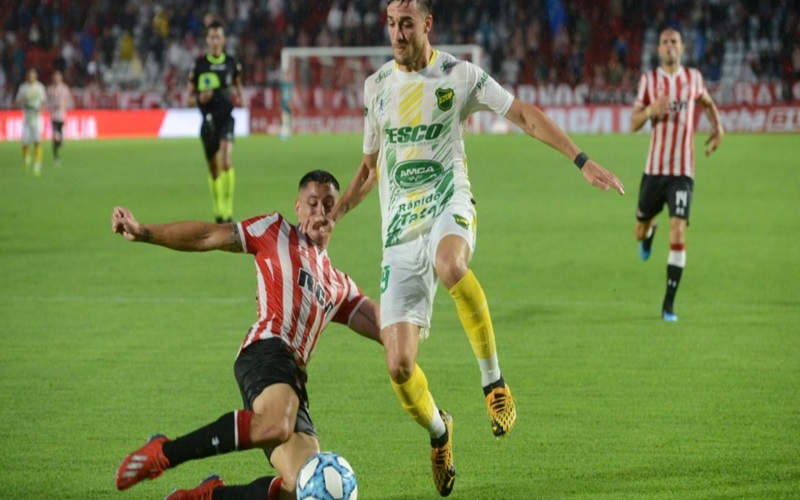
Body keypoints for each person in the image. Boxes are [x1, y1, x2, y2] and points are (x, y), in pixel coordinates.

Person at [301, 0, 625, 496]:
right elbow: (369, 168)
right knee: (399, 365)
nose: (397, 33)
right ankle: (440, 431)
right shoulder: (377, 87)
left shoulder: (459, 75)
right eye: (391, 24)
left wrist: (581, 160)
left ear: (427, 24)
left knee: (450, 263)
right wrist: (337, 214)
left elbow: (523, 115)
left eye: (406, 23)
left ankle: (494, 383)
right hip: (399, 232)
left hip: (448, 203)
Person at [113, 170, 381, 499]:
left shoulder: (340, 285)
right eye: (312, 203)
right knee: (276, 425)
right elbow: (207, 236)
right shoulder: (275, 231)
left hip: (292, 381)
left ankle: (210, 496)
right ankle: (166, 452)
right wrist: (143, 232)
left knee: (301, 484)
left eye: (328, 204)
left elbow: (390, 329)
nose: (320, 211)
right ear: (298, 207)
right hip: (267, 350)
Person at [630, 27, 724, 322]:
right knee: (639, 231)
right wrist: (651, 111)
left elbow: (707, 103)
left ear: (682, 48)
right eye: (665, 42)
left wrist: (718, 128)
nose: (669, 46)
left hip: (683, 171)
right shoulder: (649, 81)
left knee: (679, 230)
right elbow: (633, 122)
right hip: (654, 170)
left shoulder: (693, 78)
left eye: (674, 42)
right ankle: (649, 234)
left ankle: (668, 306)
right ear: (659, 49)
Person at [187, 19, 244, 223]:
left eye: (218, 37)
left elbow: (238, 85)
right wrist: (199, 98)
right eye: (212, 37)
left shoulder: (231, 63)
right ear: (207, 40)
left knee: (227, 162)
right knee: (214, 170)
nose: (215, 41)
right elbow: (188, 99)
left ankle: (228, 211)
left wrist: (241, 98)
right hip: (208, 123)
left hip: (226, 119)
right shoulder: (199, 65)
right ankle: (218, 210)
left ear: (224, 39)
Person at [15, 68, 47, 176]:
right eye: (29, 75)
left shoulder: (40, 87)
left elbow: (44, 102)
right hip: (26, 118)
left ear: (36, 76)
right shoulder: (23, 88)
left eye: (33, 75)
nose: (31, 77)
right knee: (24, 142)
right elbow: (17, 101)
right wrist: (23, 102)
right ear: (27, 76)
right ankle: (26, 158)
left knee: (38, 141)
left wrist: (41, 108)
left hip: (37, 118)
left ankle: (37, 164)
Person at [47, 70, 72, 167]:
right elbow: (47, 102)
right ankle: (56, 156)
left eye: (58, 77)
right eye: (55, 77)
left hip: (62, 116)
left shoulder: (65, 89)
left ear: (61, 78)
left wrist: (63, 104)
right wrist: (52, 105)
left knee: (60, 138)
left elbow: (69, 101)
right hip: (54, 116)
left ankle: (58, 146)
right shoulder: (50, 89)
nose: (56, 79)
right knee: (55, 136)